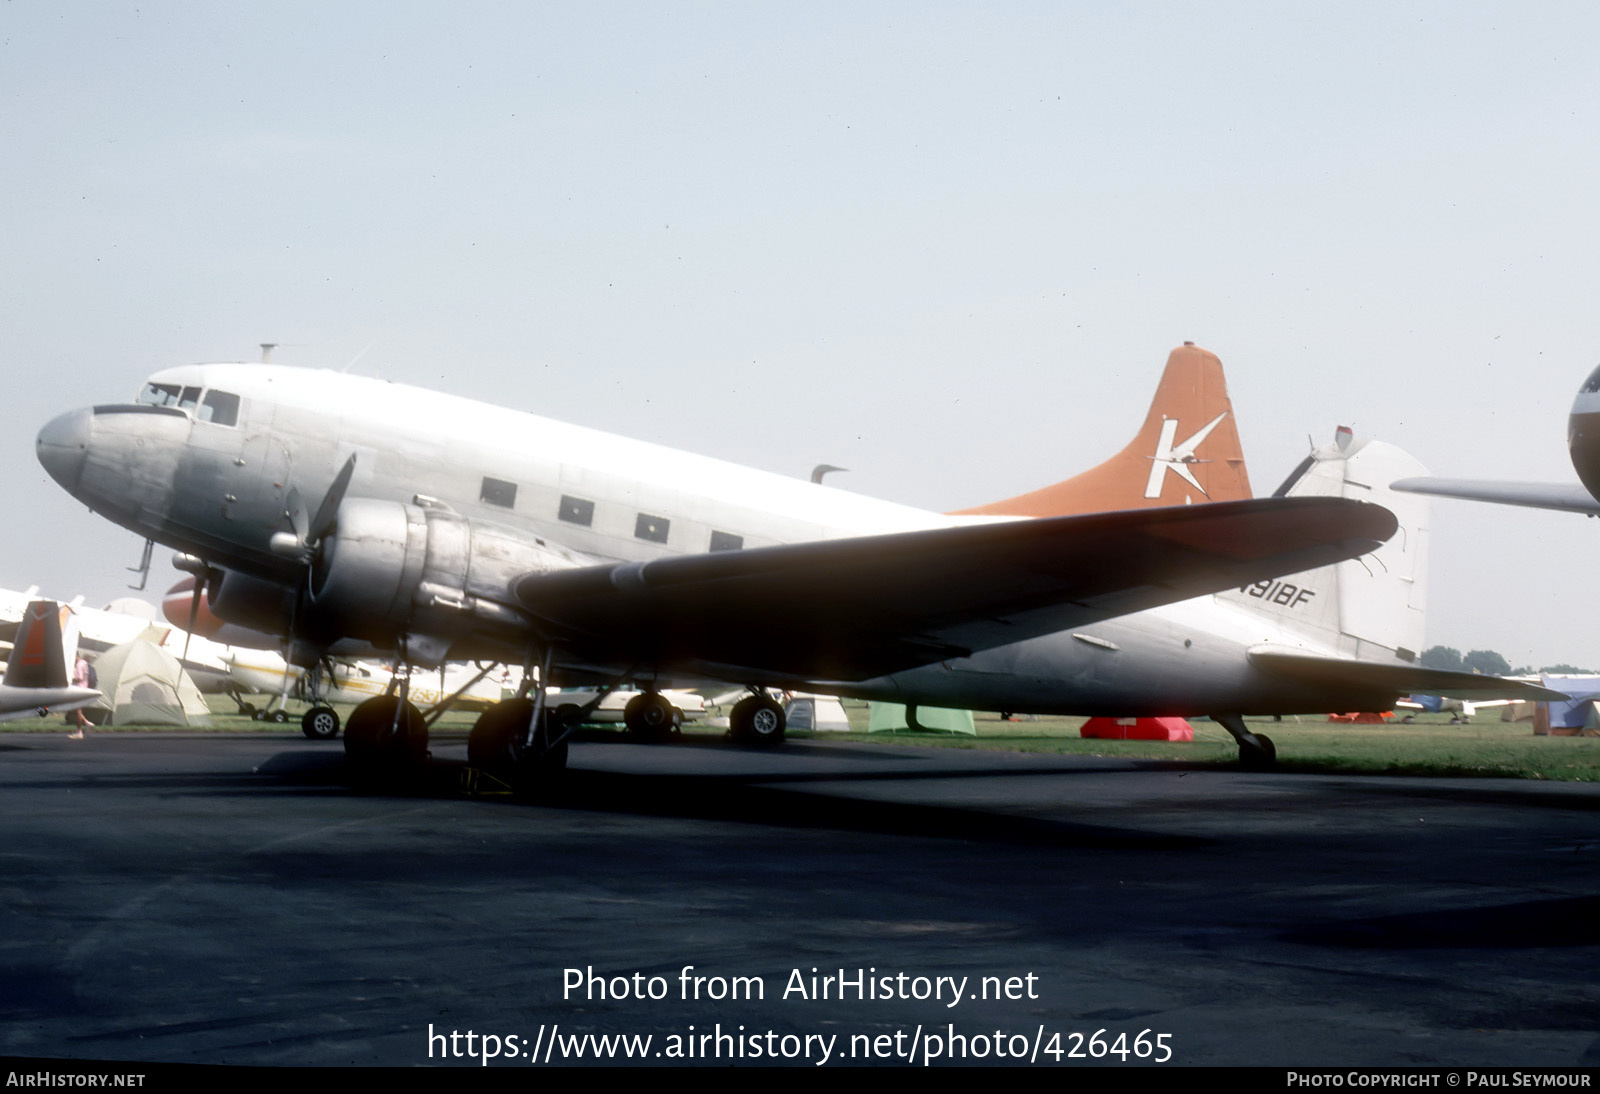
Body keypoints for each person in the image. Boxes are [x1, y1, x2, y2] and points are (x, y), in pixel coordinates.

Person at [68, 654, 91, 739]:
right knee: (78, 709)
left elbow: (80, 678)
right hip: (85, 686)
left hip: (79, 688)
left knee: (77, 710)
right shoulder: (84, 663)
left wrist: (71, 679)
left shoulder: (78, 664)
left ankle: (79, 732)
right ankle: (86, 723)